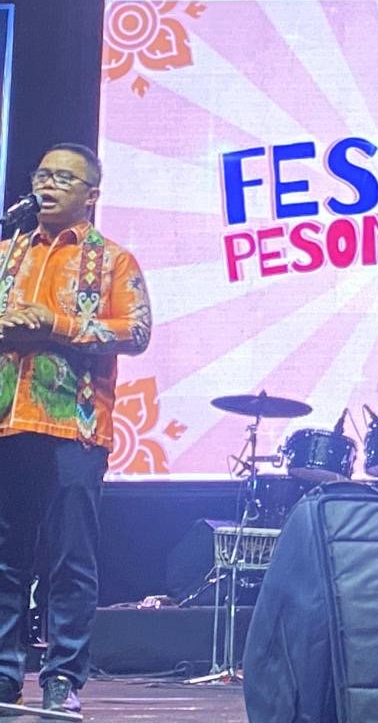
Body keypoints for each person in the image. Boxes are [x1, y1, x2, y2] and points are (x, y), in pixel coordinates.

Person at [0, 143, 151, 716]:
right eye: (43, 175)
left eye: (64, 178)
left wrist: (54, 324)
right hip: (8, 421)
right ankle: (3, 674)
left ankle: (63, 678)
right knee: (5, 557)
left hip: (75, 428)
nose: (48, 185)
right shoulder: (7, 252)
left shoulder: (112, 260)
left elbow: (136, 332)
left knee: (70, 559)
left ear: (92, 195)